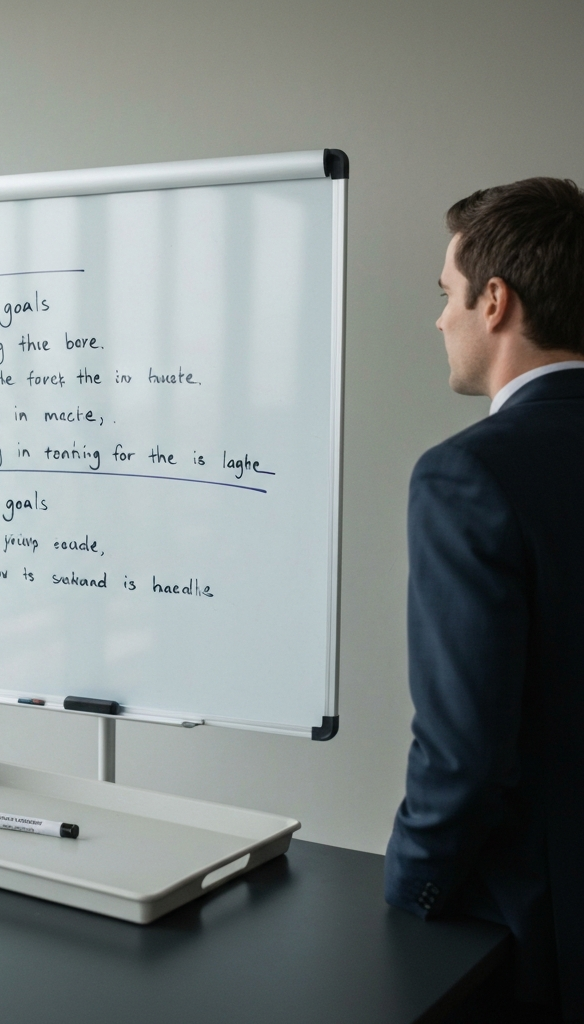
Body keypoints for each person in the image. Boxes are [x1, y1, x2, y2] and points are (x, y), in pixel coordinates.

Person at [385, 178, 584, 1022]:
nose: (440, 320)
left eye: (446, 294)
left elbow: (464, 751)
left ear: (494, 300)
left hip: (535, 933)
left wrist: (409, 895)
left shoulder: (469, 473)